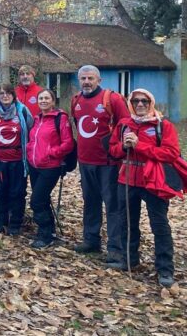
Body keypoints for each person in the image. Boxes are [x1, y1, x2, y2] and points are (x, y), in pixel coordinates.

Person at [109, 89, 180, 287]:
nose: (140, 104)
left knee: (159, 225)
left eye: (144, 101)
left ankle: (165, 268)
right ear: (131, 103)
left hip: (153, 181)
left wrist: (139, 146)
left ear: (151, 103)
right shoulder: (124, 125)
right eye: (136, 101)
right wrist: (123, 147)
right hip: (127, 179)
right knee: (127, 222)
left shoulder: (162, 125)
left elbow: (171, 153)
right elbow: (113, 150)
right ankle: (129, 260)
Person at [71, 65, 129, 264]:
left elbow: (126, 125)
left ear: (99, 80)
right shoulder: (76, 100)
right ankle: (91, 240)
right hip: (85, 161)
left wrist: (120, 152)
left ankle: (115, 248)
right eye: (83, 78)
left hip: (108, 163)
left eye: (90, 78)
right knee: (90, 202)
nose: (86, 82)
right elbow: (77, 125)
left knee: (112, 206)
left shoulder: (112, 99)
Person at [0, 83, 33, 235]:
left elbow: (31, 132)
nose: (5, 96)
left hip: (18, 160)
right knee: (1, 191)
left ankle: (16, 223)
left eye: (8, 93)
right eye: (1, 93)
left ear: (13, 95)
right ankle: (0, 221)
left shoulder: (22, 110)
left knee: (17, 192)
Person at [26, 89, 74, 249]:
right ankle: (51, 232)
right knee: (43, 199)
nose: (43, 101)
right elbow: (33, 139)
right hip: (34, 165)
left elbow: (68, 143)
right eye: (41, 98)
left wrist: (51, 153)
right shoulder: (36, 118)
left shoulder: (60, 118)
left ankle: (44, 235)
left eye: (47, 98)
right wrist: (29, 149)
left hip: (50, 166)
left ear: (53, 101)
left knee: (36, 201)